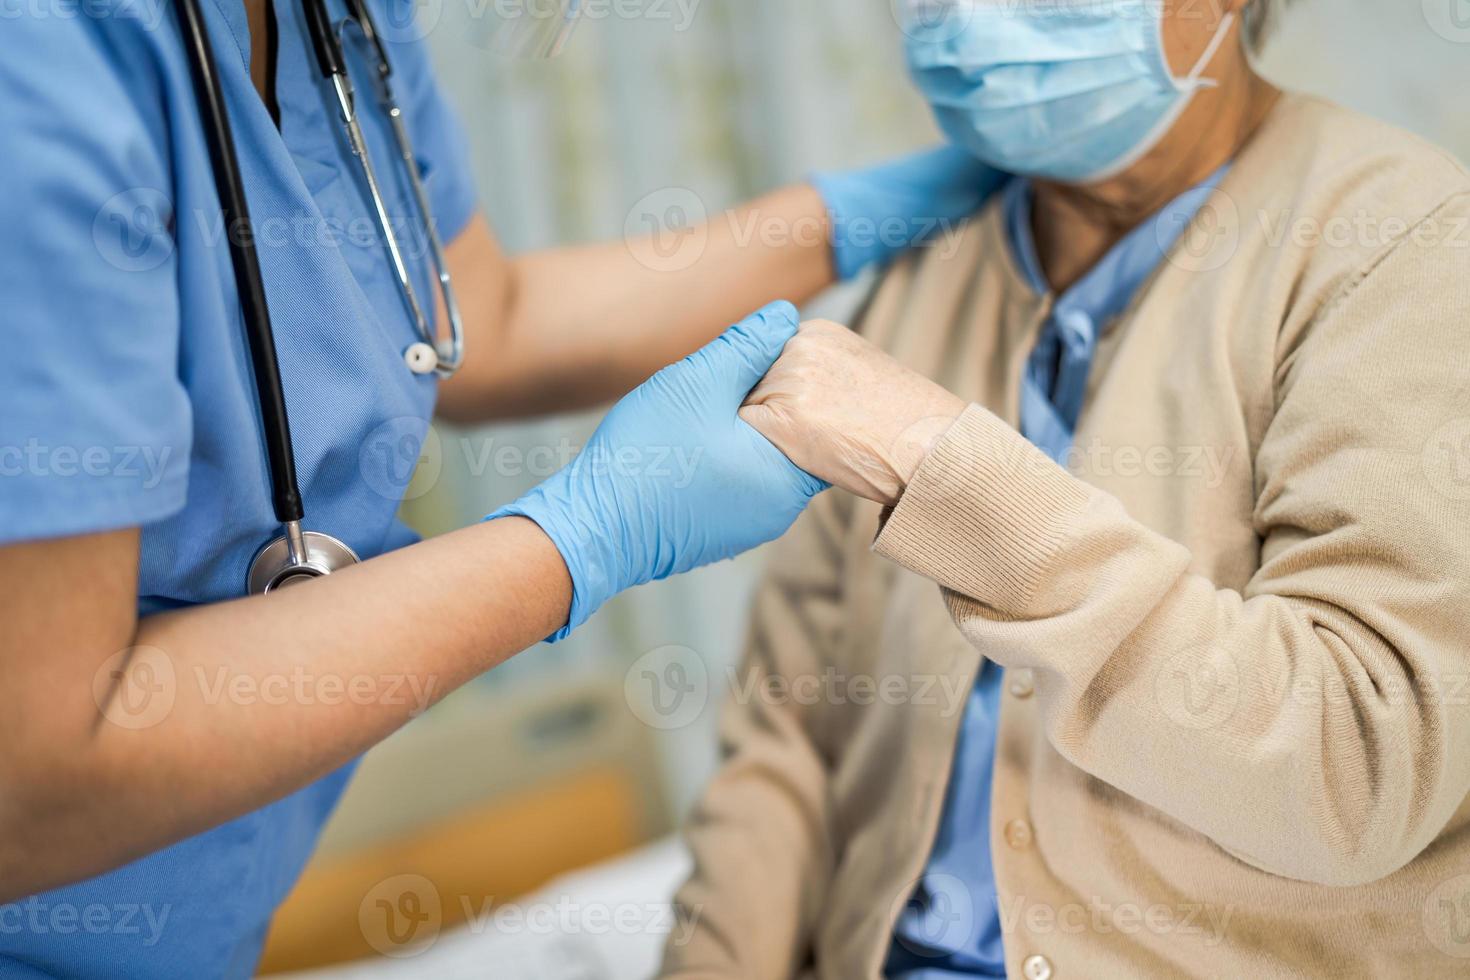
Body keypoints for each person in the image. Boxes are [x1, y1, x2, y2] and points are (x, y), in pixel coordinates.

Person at [0, 1, 1005, 975]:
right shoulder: (40, 64)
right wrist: (584, 536)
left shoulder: (335, 21)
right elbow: (38, 767)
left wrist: (849, 216)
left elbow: (480, 310)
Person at [663, 0, 1470, 976]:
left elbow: (1355, 764)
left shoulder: (1404, 247)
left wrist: (938, 463)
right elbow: (789, 727)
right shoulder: (926, 273)